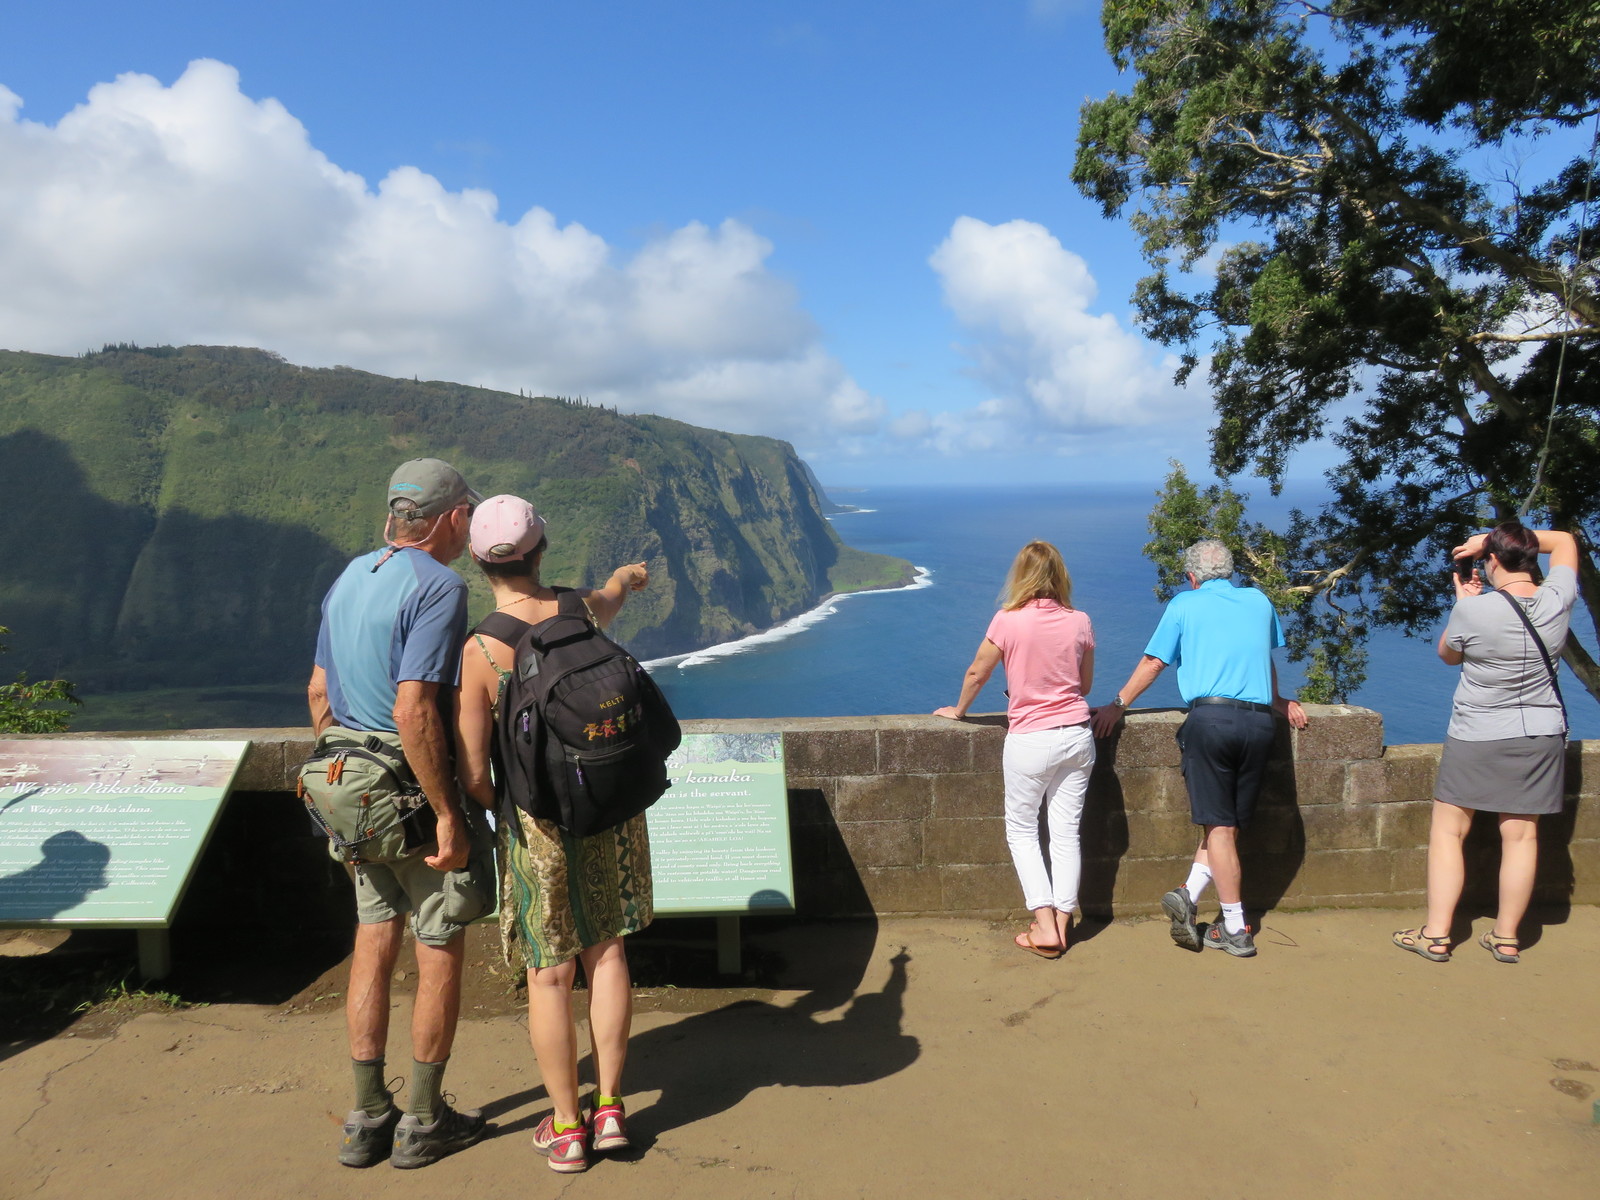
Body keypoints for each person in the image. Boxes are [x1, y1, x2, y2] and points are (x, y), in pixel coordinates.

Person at [454, 494, 654, 1174]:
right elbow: (611, 598)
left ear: (479, 562)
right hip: (608, 807)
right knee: (608, 955)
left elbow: (475, 768)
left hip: (537, 823)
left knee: (549, 974)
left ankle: (567, 1128)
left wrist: (505, 805)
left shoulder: (480, 648)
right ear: (542, 551)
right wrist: (626, 579)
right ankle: (612, 1110)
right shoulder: (578, 608)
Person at [308, 458, 489, 1169]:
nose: (468, 527)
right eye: (467, 514)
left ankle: (365, 1115)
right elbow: (415, 706)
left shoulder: (351, 575)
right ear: (448, 519)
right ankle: (422, 1118)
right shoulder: (441, 587)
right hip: (408, 790)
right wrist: (446, 810)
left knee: (373, 939)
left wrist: (340, 781)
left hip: (348, 788)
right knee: (438, 942)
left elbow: (319, 691)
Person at [1090, 539, 1307, 957]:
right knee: (1226, 826)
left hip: (1211, 722)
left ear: (1192, 578)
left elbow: (1154, 662)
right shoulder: (1259, 602)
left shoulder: (1183, 606)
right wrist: (1278, 701)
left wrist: (1117, 706)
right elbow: (1263, 655)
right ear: (1229, 572)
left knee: (1221, 829)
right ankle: (1187, 895)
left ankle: (1235, 929)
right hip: (1259, 723)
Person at [1392, 522, 1580, 965]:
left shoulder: (1474, 612)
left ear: (1493, 561)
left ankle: (1436, 935)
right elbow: (1566, 542)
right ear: (1532, 559)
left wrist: (1465, 600)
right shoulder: (1558, 599)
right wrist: (1491, 539)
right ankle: (1507, 937)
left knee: (1449, 830)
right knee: (1520, 835)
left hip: (1477, 733)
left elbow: (1448, 654)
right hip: (1539, 733)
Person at [934, 541, 1096, 959]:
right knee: (1065, 834)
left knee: (1023, 830)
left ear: (1021, 575)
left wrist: (959, 711)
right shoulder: (1080, 621)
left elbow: (977, 671)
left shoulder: (1007, 621)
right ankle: (1062, 922)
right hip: (1077, 734)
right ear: (1059, 575)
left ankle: (1044, 927)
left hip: (1031, 739)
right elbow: (1085, 686)